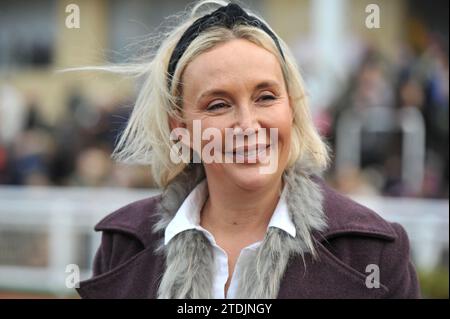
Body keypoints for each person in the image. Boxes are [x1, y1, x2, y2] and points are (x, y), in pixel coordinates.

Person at [76, 1, 420, 298]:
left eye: (266, 97)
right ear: (179, 129)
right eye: (218, 105)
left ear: (293, 109)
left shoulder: (374, 253)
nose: (247, 125)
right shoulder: (121, 247)